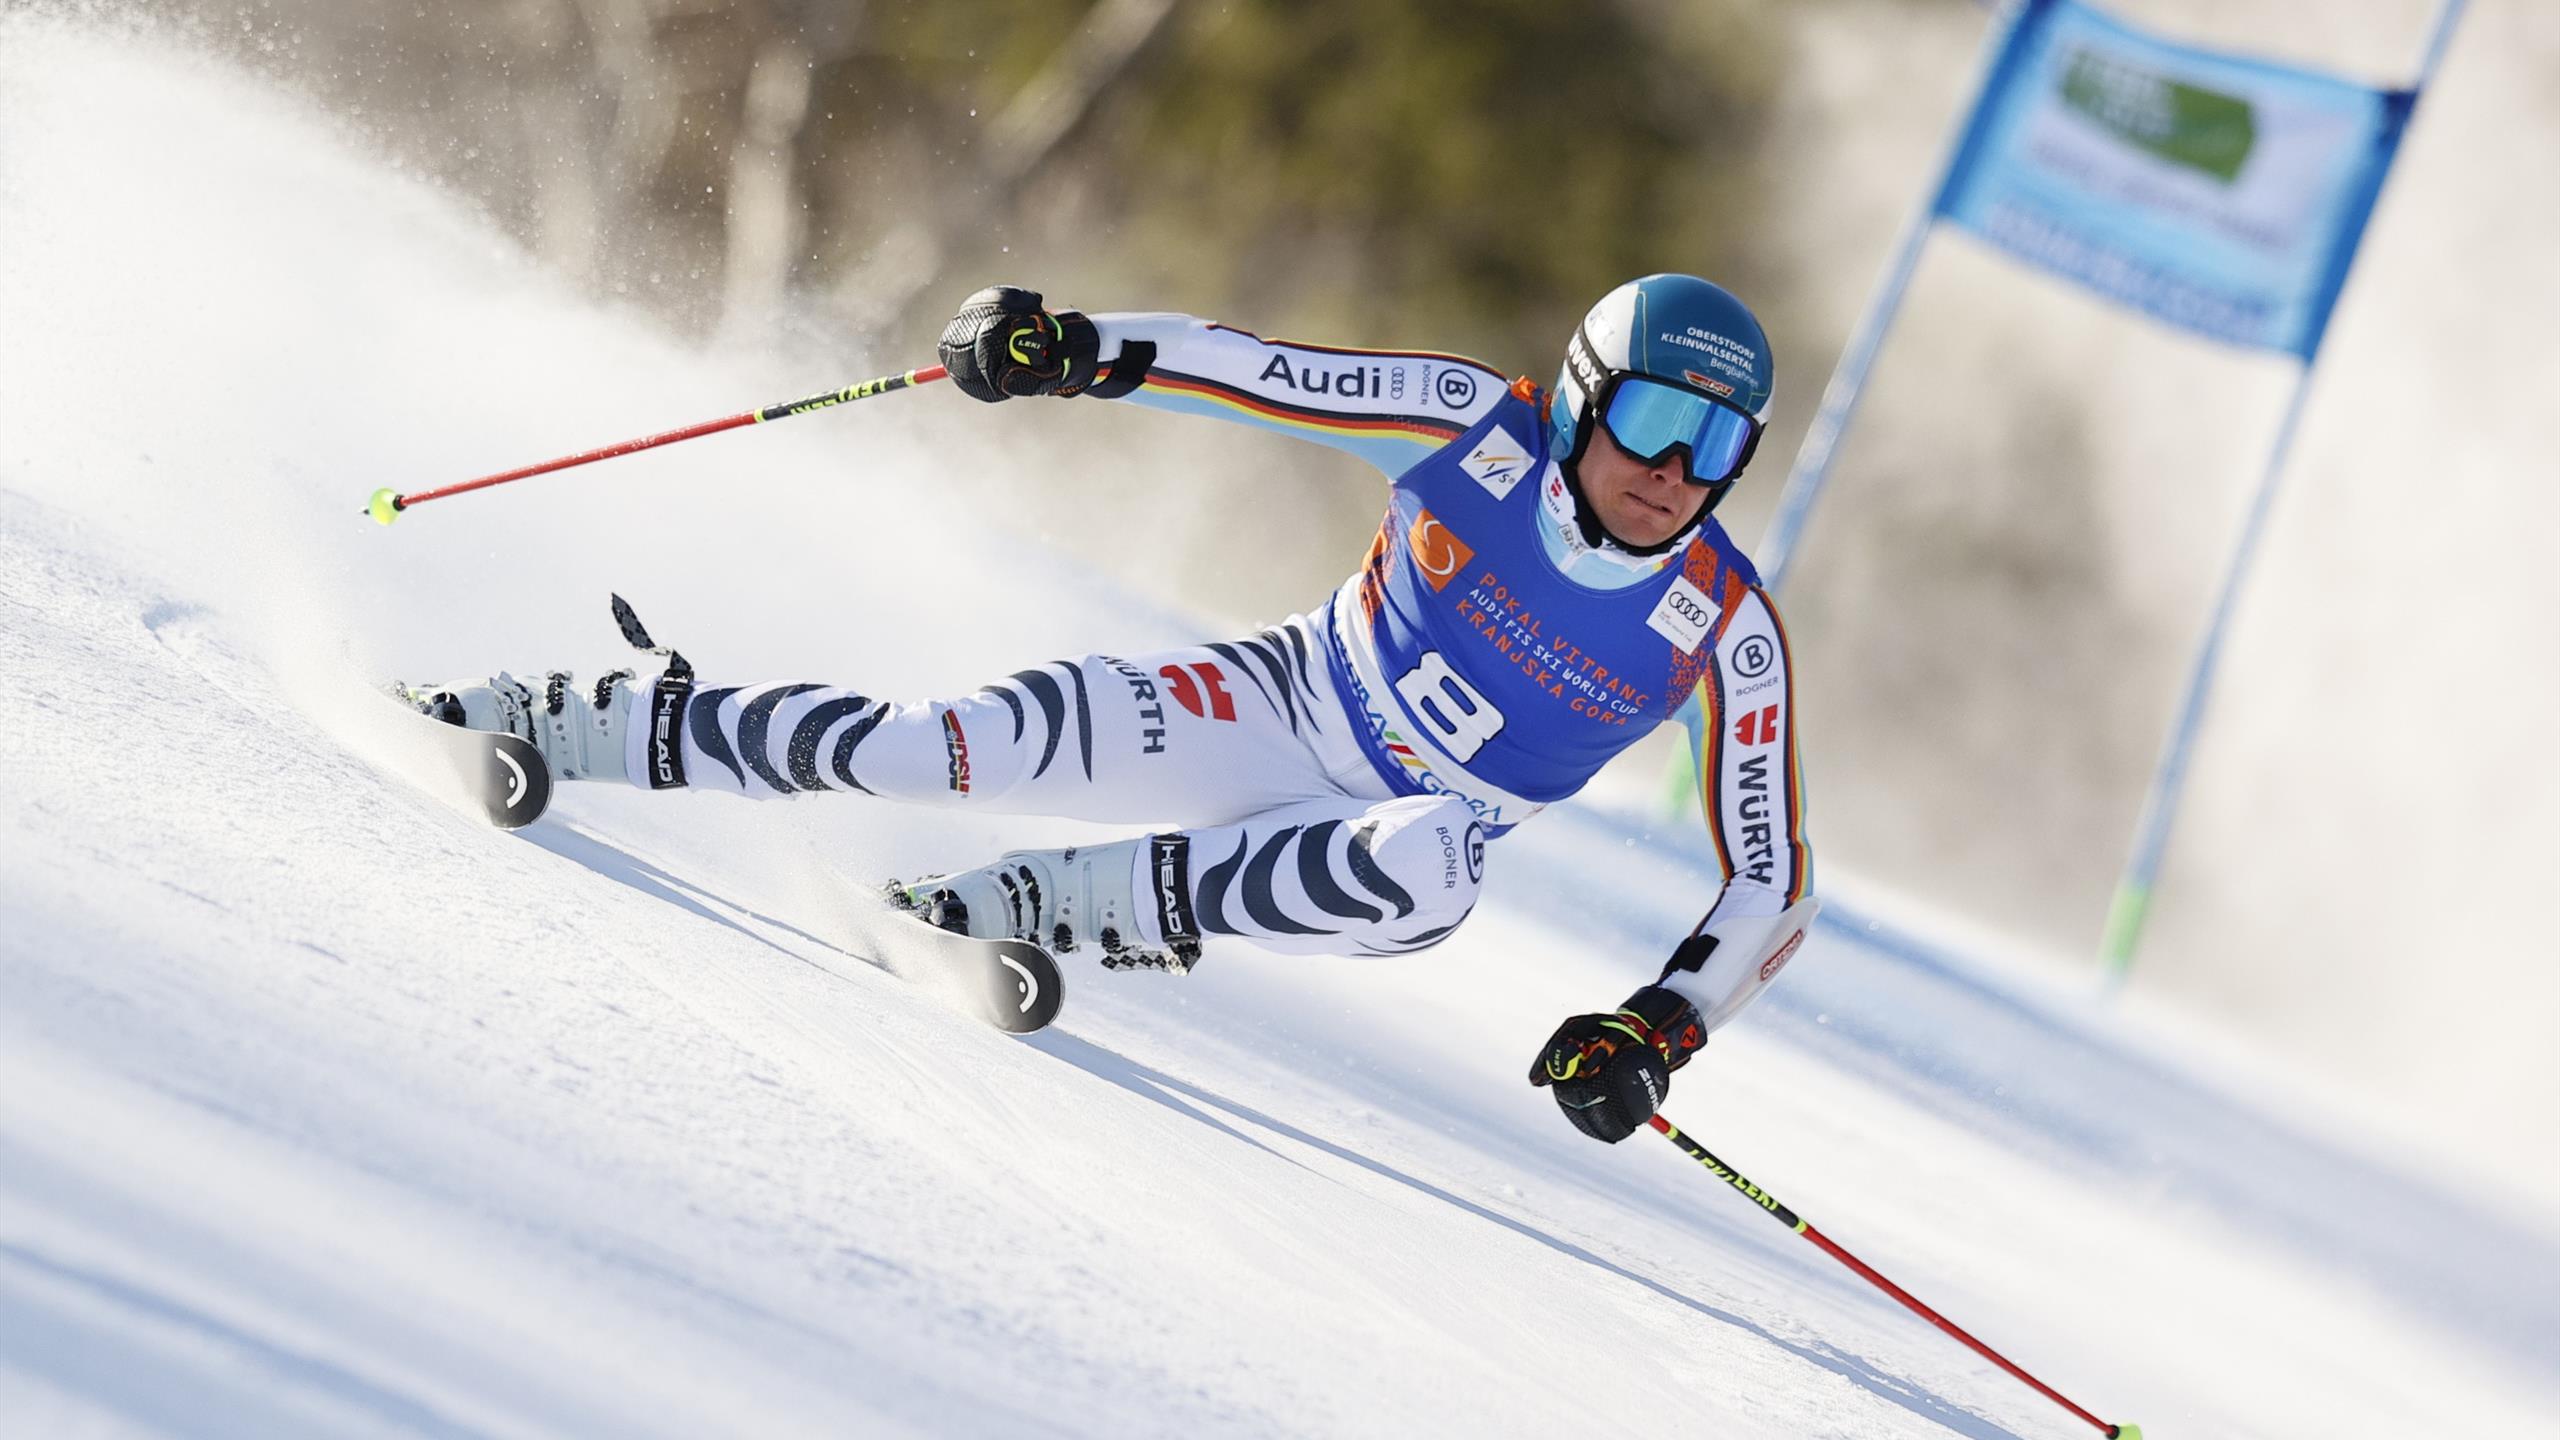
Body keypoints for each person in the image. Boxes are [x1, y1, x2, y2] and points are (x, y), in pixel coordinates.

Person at [405, 275, 1812, 1145]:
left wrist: (1660, 1027)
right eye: (1652, 421)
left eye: (1715, 445)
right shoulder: (1470, 424)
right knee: (935, 747)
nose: (1673, 472)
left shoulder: (1725, 628)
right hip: (1276, 700)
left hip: (1388, 852)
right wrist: (1072, 346)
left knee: (1436, 858)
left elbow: (1774, 881)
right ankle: (574, 720)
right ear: (1581, 402)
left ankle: (1022, 907)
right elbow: (1259, 373)